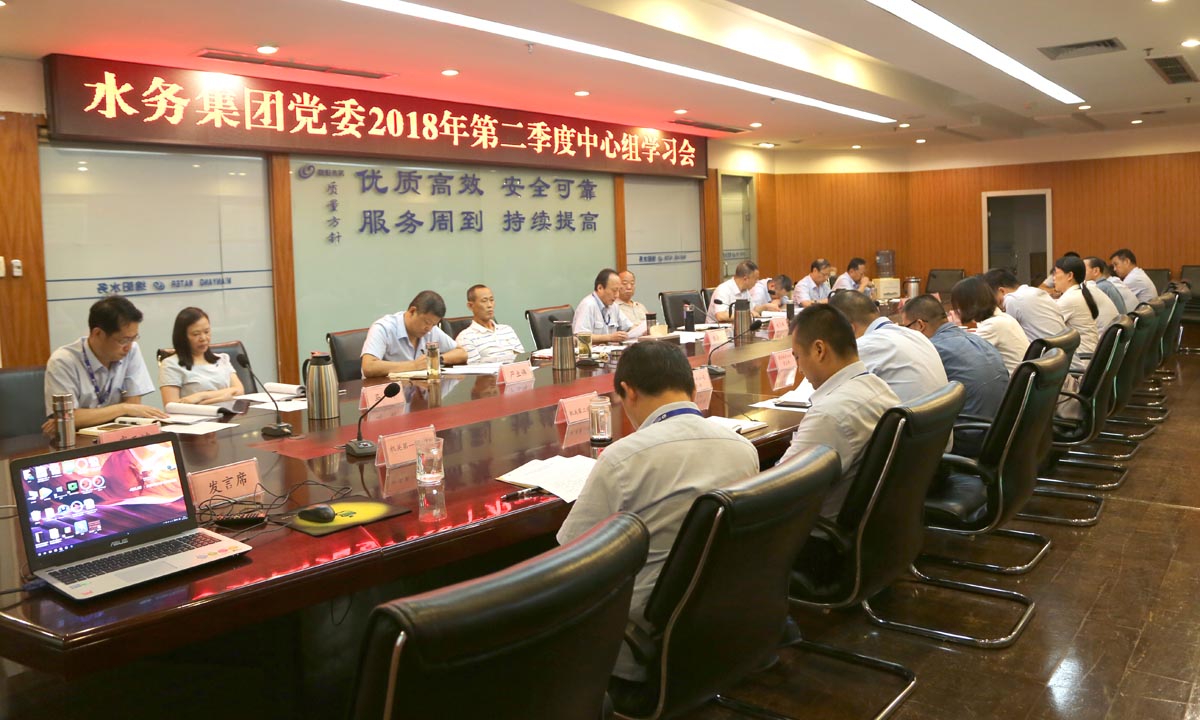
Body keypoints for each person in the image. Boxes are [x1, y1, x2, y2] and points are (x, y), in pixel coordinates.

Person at [557, 341, 759, 687]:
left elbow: (570, 557)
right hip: (721, 620)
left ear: (628, 391)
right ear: (692, 388)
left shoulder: (622, 459)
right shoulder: (744, 448)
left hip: (638, 637)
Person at [777, 305, 899, 517]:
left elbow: (779, 489)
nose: (799, 369)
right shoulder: (880, 387)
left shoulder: (829, 415)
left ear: (819, 350)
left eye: (797, 357)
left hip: (814, 529)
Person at [42, 295, 168, 433]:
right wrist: (123, 408)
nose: (129, 346)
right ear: (98, 333)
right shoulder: (63, 361)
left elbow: (134, 406)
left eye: (133, 338)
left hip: (118, 435)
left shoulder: (131, 350)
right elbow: (66, 419)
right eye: (123, 340)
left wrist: (83, 417)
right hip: (78, 439)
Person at [902, 295, 1007, 456]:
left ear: (920, 325)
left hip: (969, 439)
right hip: (1001, 433)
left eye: (906, 328)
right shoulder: (977, 339)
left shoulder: (932, 350)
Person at [827, 289, 948, 403]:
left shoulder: (865, 346)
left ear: (849, 329)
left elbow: (830, 393)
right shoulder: (916, 335)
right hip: (939, 415)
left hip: (909, 416)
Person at [361, 290, 466, 378]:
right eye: (426, 322)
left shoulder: (431, 330)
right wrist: (414, 365)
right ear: (412, 311)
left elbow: (461, 353)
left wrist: (436, 359)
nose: (429, 329)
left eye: (434, 325)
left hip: (417, 389)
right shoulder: (383, 328)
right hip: (386, 392)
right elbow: (369, 367)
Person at [159, 307, 245, 405]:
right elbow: (171, 406)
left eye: (207, 332)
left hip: (230, 413)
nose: (203, 338)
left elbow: (239, 390)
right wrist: (223, 397)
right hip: (194, 415)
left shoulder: (222, 359)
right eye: (196, 334)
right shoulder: (170, 365)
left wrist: (202, 396)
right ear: (182, 336)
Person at [951, 276, 1030, 374]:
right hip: (1019, 377)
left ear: (968, 304)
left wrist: (952, 328)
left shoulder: (994, 325)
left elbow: (963, 354)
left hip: (1010, 380)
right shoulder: (1003, 318)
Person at [982, 268, 1068, 342]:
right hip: (1060, 351)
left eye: (992, 298)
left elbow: (1004, 334)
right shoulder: (1033, 291)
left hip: (1045, 353)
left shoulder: (1012, 299)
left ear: (1002, 291)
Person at [454, 284, 526, 364]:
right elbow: (475, 368)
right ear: (470, 306)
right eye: (484, 301)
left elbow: (522, 359)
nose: (489, 305)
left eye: (491, 300)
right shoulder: (465, 338)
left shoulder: (507, 330)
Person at [1052, 256, 1102, 369]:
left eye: (1056, 273)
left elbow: (1049, 324)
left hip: (1081, 361)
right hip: (1087, 357)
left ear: (1070, 275)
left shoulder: (1070, 298)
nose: (1053, 278)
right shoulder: (1078, 293)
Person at [575, 268, 638, 343]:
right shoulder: (588, 305)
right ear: (600, 288)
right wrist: (609, 337)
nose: (617, 295)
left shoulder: (614, 306)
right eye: (614, 291)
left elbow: (629, 327)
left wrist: (641, 330)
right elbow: (581, 337)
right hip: (593, 350)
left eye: (618, 291)